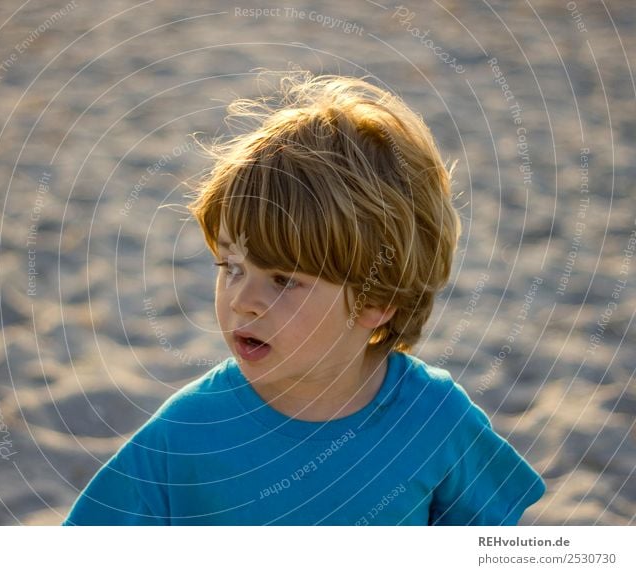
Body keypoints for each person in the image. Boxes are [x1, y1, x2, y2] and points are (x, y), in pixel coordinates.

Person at [63, 71, 546, 525]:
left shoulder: (433, 418)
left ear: (376, 299)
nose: (242, 301)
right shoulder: (188, 433)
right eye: (231, 267)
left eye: (282, 280)